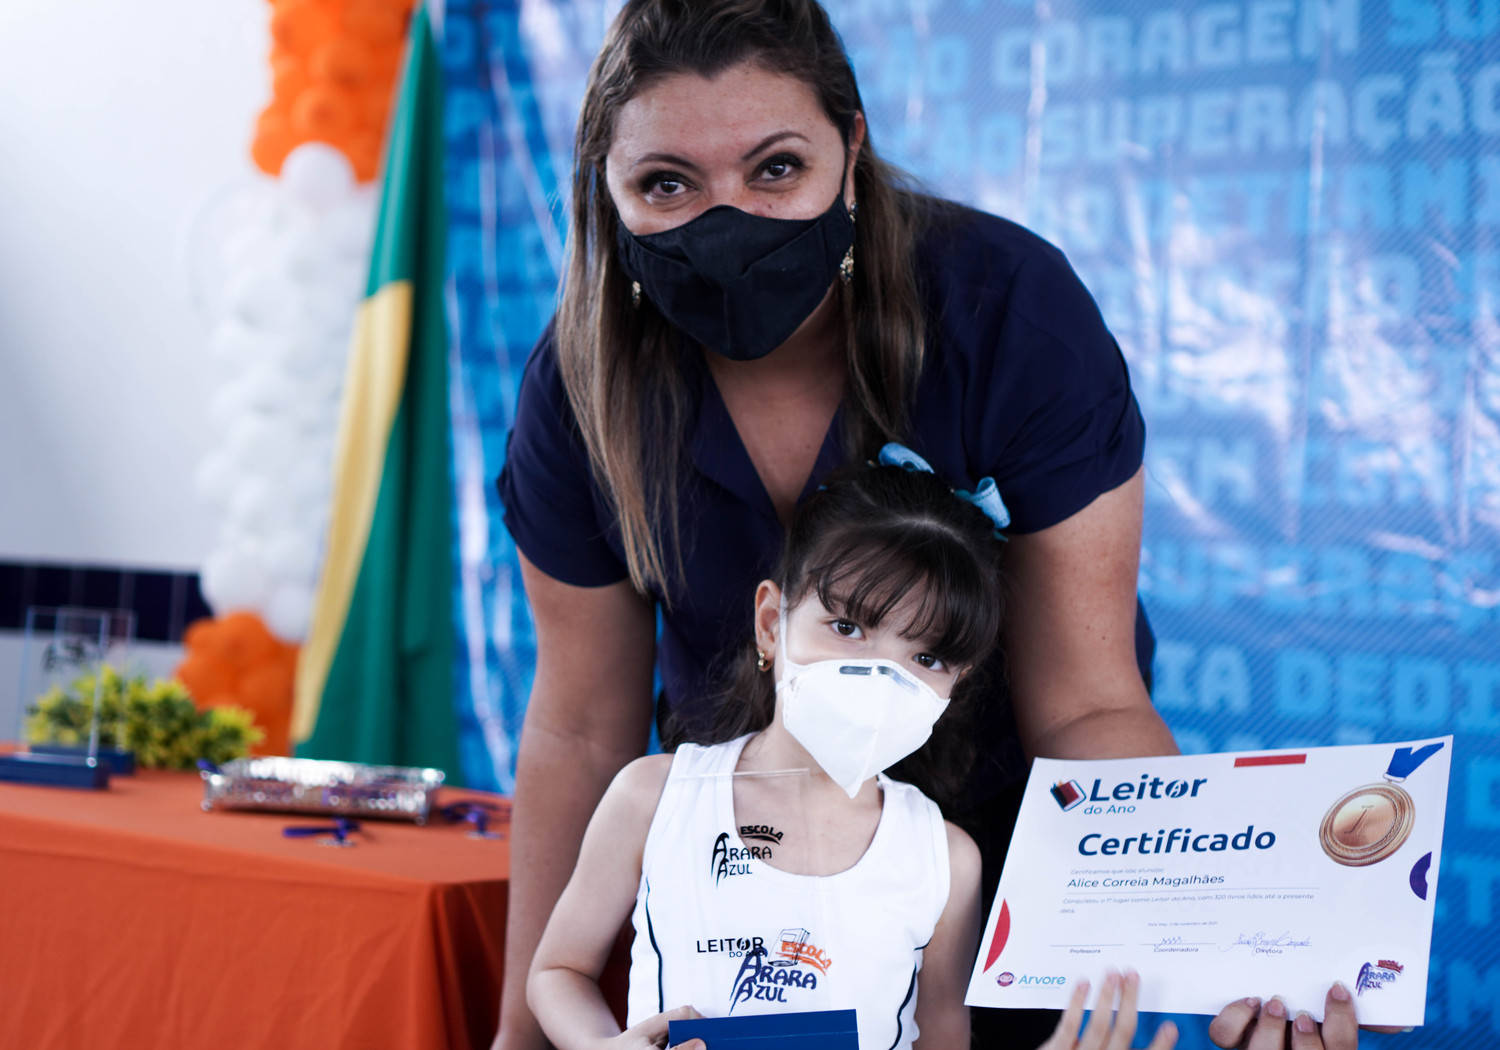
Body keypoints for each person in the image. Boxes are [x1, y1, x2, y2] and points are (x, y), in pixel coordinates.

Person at [492, 2, 1364, 1048]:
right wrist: (521, 1036)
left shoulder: (1008, 316)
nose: (726, 225)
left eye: (776, 168)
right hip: (732, 887)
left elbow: (1088, 706)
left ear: (851, 151)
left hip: (1000, 882)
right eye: (666, 184)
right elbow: (580, 726)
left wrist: (1205, 960)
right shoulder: (582, 386)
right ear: (608, 192)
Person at [526, 459, 1181, 1050]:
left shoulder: (946, 860)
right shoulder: (655, 798)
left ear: (958, 683)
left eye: (925, 656)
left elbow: (942, 1039)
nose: (880, 673)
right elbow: (559, 971)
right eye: (848, 627)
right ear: (770, 623)